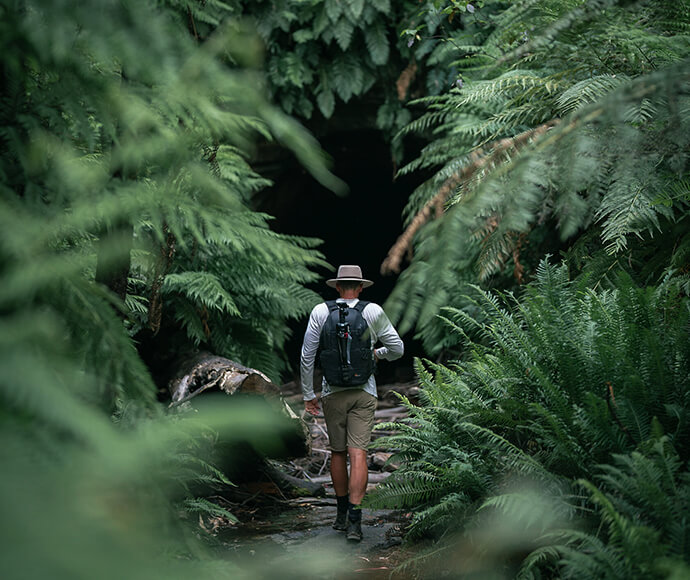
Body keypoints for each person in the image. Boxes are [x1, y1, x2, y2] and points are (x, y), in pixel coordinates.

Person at [300, 264, 404, 542]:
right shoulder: (373, 311)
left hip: (332, 393)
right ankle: (356, 522)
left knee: (337, 453)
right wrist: (376, 355)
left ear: (336, 287)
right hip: (364, 392)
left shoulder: (320, 311)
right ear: (360, 288)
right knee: (358, 453)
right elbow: (398, 348)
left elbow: (307, 355)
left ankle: (341, 514)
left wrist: (309, 394)